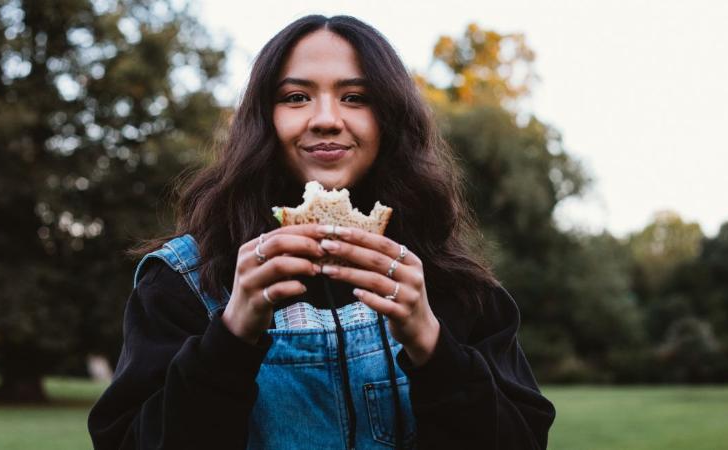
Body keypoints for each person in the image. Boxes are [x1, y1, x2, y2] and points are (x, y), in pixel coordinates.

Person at [88, 14, 555, 450]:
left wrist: (431, 346)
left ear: (390, 119)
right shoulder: (184, 281)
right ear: (263, 120)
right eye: (296, 97)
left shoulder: (449, 281)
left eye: (355, 97)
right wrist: (230, 337)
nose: (327, 118)